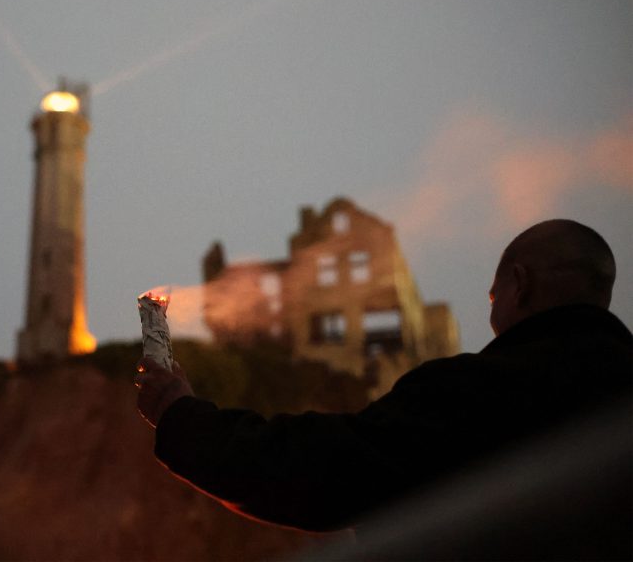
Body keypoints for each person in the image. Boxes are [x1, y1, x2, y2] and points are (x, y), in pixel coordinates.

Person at [135, 219, 632, 534]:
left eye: (491, 295)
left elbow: (327, 472)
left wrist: (180, 416)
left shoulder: (480, 393)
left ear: (518, 287)